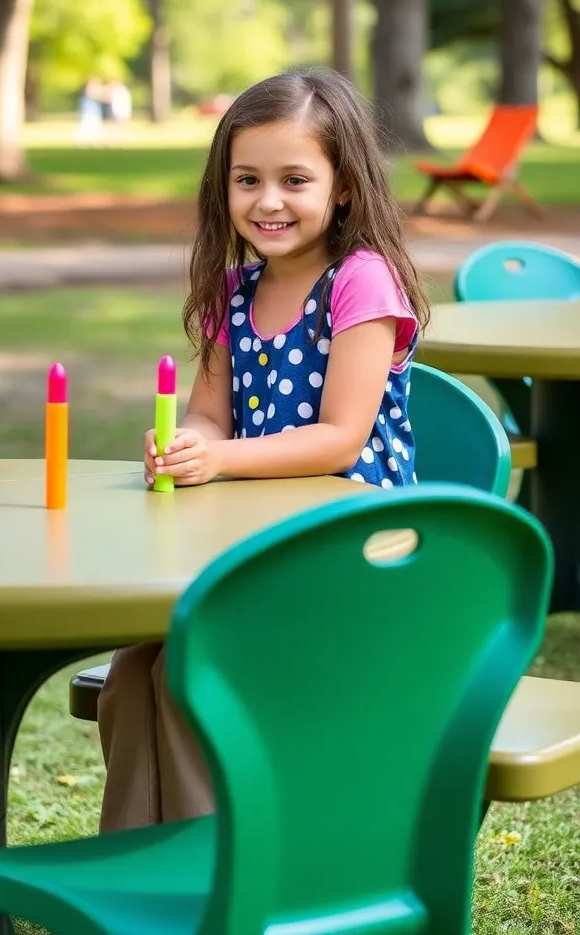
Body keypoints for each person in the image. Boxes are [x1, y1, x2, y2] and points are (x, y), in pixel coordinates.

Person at [97, 68, 431, 834]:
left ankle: (219, 872)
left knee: (193, 674)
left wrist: (219, 461)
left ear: (343, 186)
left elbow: (341, 437)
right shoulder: (230, 293)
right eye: (247, 179)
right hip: (250, 546)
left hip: (351, 554)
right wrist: (187, 444)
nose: (267, 201)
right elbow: (210, 416)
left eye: (294, 179)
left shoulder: (362, 281)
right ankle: (139, 862)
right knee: (134, 671)